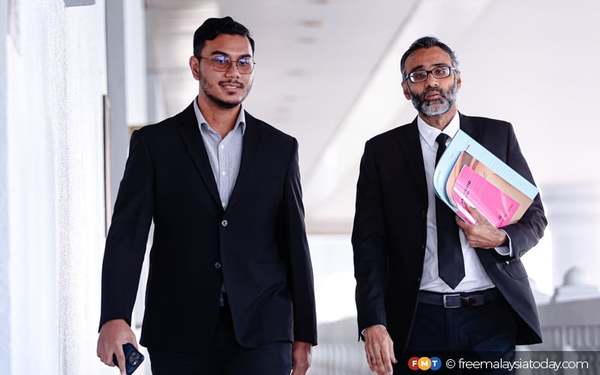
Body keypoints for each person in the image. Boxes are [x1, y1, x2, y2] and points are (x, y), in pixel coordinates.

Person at [96, 16, 317, 375]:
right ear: (195, 66)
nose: (234, 72)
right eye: (220, 60)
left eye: (244, 62)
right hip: (179, 331)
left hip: (264, 330)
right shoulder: (155, 145)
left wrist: (304, 333)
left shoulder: (280, 148)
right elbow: (127, 236)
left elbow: (295, 243)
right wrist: (114, 316)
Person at [352, 36, 547, 374]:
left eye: (440, 71)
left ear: (457, 79)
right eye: (418, 75)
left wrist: (501, 239)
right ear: (405, 89)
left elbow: (534, 217)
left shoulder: (496, 136)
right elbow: (368, 245)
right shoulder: (382, 152)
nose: (431, 82)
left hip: (490, 318)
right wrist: (373, 322)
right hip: (418, 319)